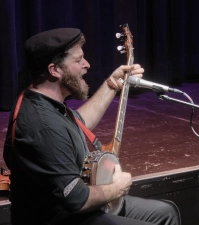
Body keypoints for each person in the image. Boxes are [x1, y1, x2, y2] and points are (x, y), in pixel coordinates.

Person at [3, 28, 181, 225]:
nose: (87, 65)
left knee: (166, 212)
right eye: (78, 60)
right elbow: (77, 200)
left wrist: (113, 84)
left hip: (72, 211)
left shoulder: (42, 99)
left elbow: (78, 122)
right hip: (58, 218)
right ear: (54, 70)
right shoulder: (43, 126)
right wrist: (117, 187)